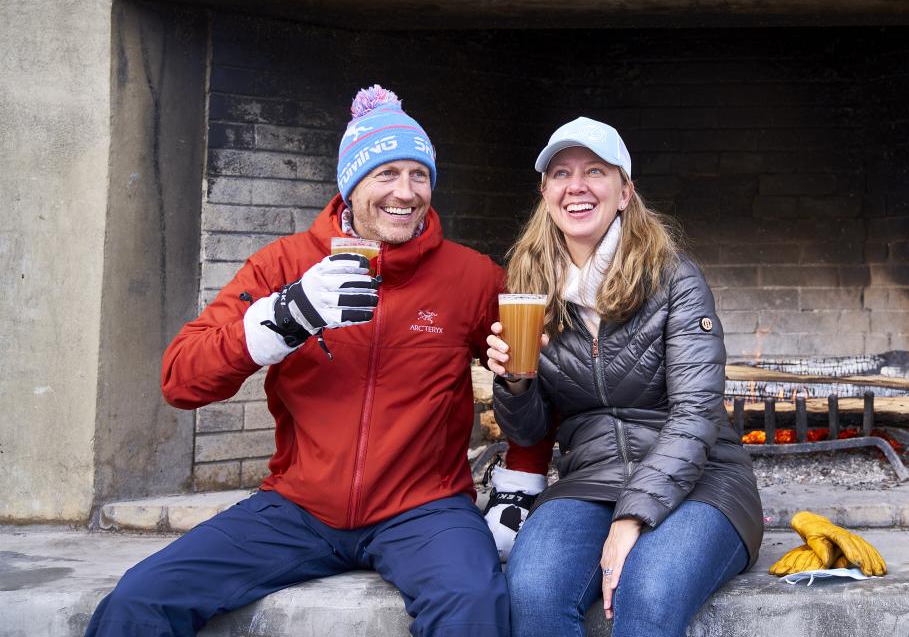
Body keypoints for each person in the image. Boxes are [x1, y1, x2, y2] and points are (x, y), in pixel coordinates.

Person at [86, 86, 512, 637]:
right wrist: (285, 317)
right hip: (298, 510)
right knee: (140, 599)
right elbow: (181, 379)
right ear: (351, 184)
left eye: (419, 175)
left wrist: (521, 480)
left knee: (474, 602)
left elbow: (534, 377)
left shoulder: (472, 276)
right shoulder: (283, 264)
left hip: (426, 511)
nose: (405, 192)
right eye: (386, 173)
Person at [487, 116, 762, 637]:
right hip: (590, 482)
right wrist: (515, 383)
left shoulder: (674, 277)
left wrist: (630, 519)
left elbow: (696, 414)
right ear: (545, 193)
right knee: (534, 593)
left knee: (647, 593)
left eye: (595, 171)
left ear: (625, 192)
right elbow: (528, 432)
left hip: (703, 483)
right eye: (561, 173)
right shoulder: (530, 285)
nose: (577, 185)